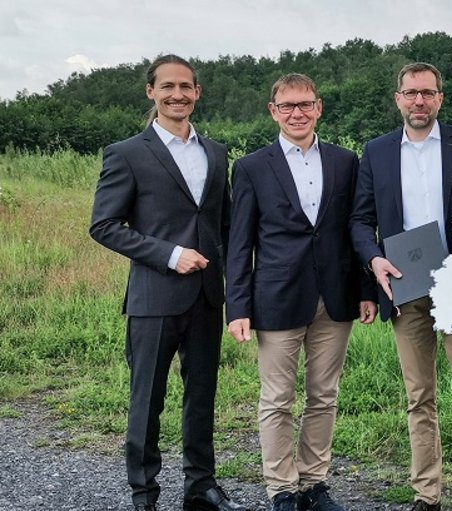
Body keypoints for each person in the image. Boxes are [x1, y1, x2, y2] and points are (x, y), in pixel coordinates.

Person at [89, 54, 249, 511]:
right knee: (148, 400)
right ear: (151, 92)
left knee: (202, 398)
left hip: (206, 298)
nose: (177, 94)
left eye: (186, 86)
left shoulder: (216, 152)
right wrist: (170, 255)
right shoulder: (127, 153)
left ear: (197, 92)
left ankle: (201, 486)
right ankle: (145, 493)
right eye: (167, 86)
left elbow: (226, 225)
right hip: (154, 297)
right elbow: (104, 225)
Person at [349, 62, 452, 511]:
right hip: (405, 286)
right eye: (411, 93)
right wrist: (373, 258)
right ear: (398, 98)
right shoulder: (376, 151)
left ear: (440, 98)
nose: (420, 101)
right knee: (418, 398)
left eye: (428, 93)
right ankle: (426, 494)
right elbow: (360, 219)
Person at [225, 73, 377, 511]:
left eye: (305, 104)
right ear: (273, 110)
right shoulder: (252, 167)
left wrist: (366, 288)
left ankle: (313, 482)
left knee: (324, 395)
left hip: (335, 296)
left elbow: (358, 228)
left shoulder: (347, 161)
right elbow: (240, 243)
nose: (297, 113)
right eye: (288, 105)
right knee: (276, 399)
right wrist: (238, 305)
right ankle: (282, 489)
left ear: (319, 108)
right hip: (276, 296)